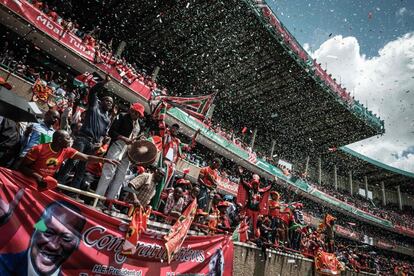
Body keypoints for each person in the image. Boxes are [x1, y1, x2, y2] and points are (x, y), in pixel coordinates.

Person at [55, 76, 113, 191]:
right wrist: (104, 82)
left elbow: (103, 134)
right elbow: (92, 91)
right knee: (72, 162)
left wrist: (100, 143)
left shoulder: (107, 119)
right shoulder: (95, 105)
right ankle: (56, 184)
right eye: (107, 100)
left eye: (111, 102)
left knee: (82, 168)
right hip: (82, 139)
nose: (109, 103)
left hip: (93, 144)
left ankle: (72, 191)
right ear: (101, 101)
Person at [0, 200, 86, 276]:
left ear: (77, 244)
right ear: (34, 229)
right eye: (48, 233)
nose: (53, 246)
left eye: (66, 238)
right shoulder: (3, 264)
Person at [18, 130, 119, 190]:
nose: (70, 140)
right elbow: (22, 167)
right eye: (67, 138)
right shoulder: (38, 149)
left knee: (40, 218)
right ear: (59, 140)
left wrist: (104, 160)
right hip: (27, 183)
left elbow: (87, 157)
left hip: (44, 186)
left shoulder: (67, 150)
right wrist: (39, 177)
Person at [95, 102, 145, 200]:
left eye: (138, 114)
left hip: (128, 152)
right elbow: (111, 132)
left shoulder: (139, 125)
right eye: (135, 112)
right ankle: (97, 198)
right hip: (117, 145)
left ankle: (110, 201)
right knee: (108, 173)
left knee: (120, 177)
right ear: (131, 110)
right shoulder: (122, 116)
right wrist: (123, 138)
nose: (136, 115)